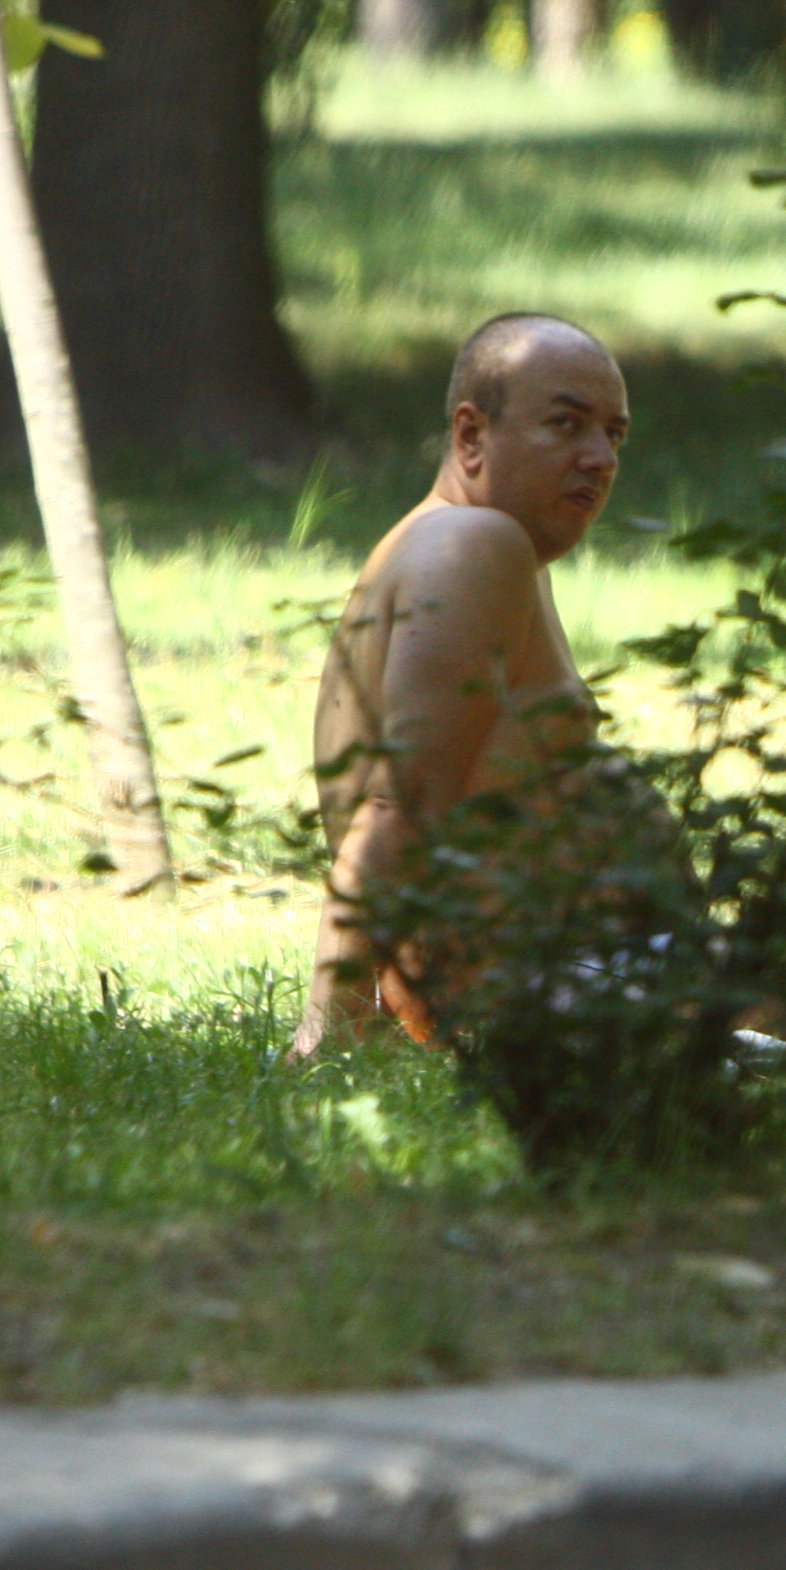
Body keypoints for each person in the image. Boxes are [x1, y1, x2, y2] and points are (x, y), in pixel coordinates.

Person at [288, 312, 636, 1060]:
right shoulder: (472, 543)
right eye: (567, 425)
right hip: (544, 995)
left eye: (613, 434)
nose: (600, 457)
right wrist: (331, 1029)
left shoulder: (484, 549)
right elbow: (399, 803)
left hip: (559, 981)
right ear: (471, 436)